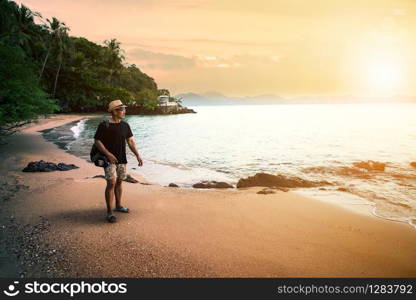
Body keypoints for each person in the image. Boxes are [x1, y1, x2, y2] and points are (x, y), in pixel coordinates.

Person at [93, 99, 143, 223]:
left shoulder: (125, 125)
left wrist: (137, 155)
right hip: (108, 159)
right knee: (111, 183)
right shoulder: (104, 125)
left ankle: (119, 206)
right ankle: (109, 212)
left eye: (124, 109)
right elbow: (97, 141)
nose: (124, 111)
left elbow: (131, 141)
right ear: (114, 111)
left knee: (120, 182)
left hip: (122, 159)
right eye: (121, 109)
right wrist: (108, 154)